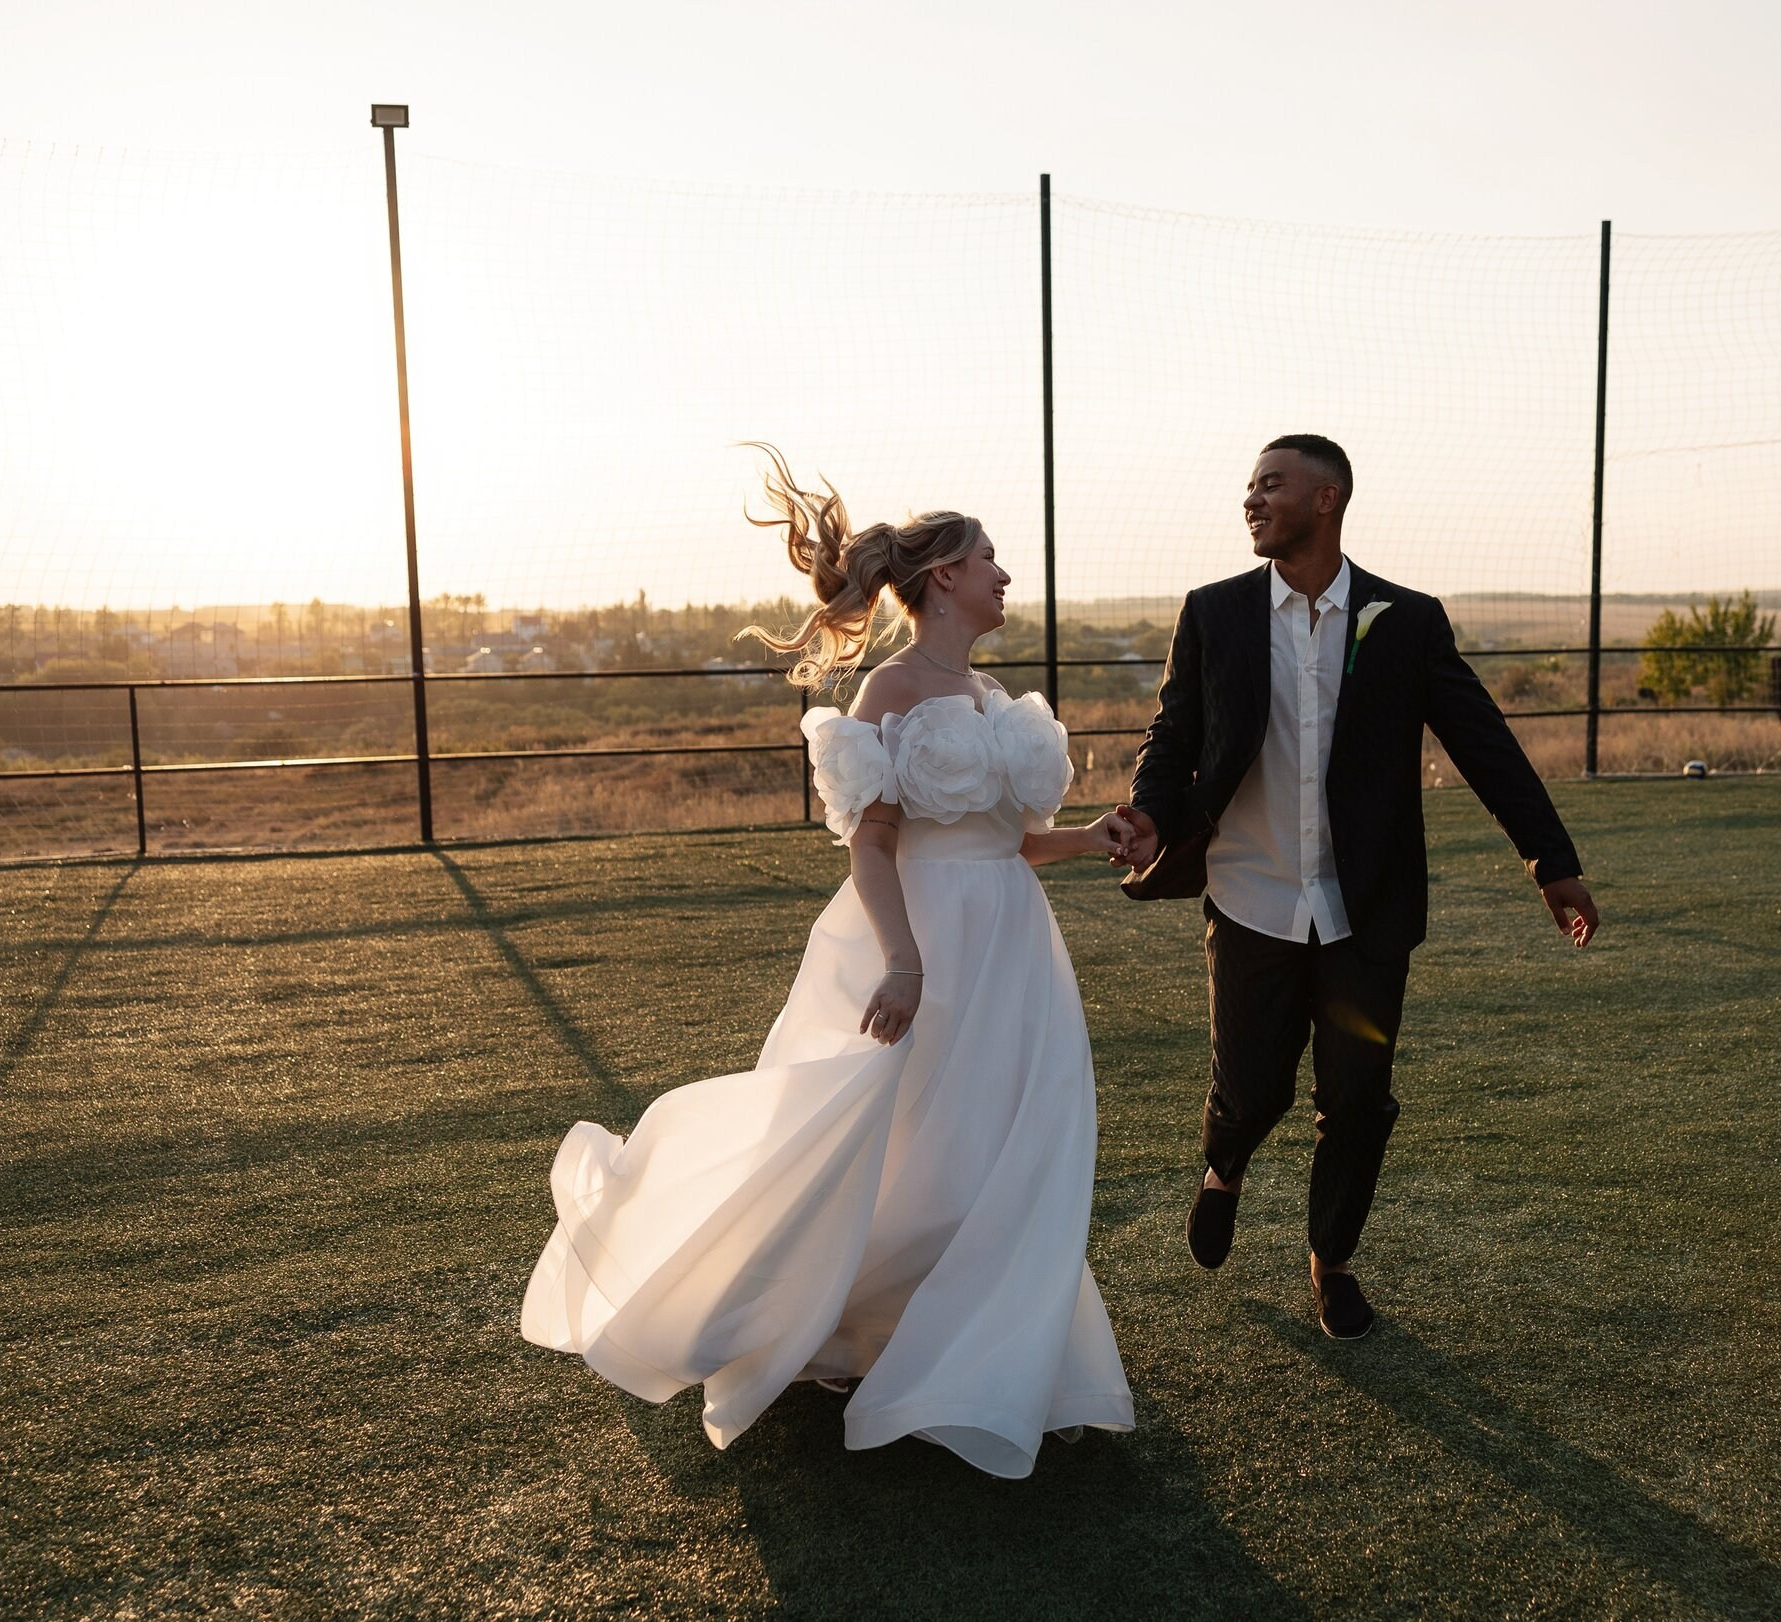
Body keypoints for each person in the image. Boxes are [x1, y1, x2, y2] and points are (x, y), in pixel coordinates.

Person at [520, 445, 1139, 1478]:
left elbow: (1004, 838)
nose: (1004, 576)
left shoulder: (987, 694)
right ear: (944, 578)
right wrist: (903, 964)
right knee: (905, 1142)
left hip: (1015, 944)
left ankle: (974, 1351)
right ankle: (840, 1324)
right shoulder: (889, 694)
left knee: (1002, 1142)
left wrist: (1090, 840)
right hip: (921, 938)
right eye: (989, 559)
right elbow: (873, 841)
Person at [1111, 436, 1598, 1341]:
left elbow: (1483, 742)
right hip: (1250, 895)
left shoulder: (1405, 620)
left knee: (1358, 1099)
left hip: (1364, 910)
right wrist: (1148, 812)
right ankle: (1225, 1163)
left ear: (1327, 497)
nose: (1251, 500)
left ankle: (1331, 1263)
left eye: (1270, 484)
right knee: (1253, 1088)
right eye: (1249, 487)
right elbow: (1171, 738)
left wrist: (1550, 861)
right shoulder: (1213, 613)